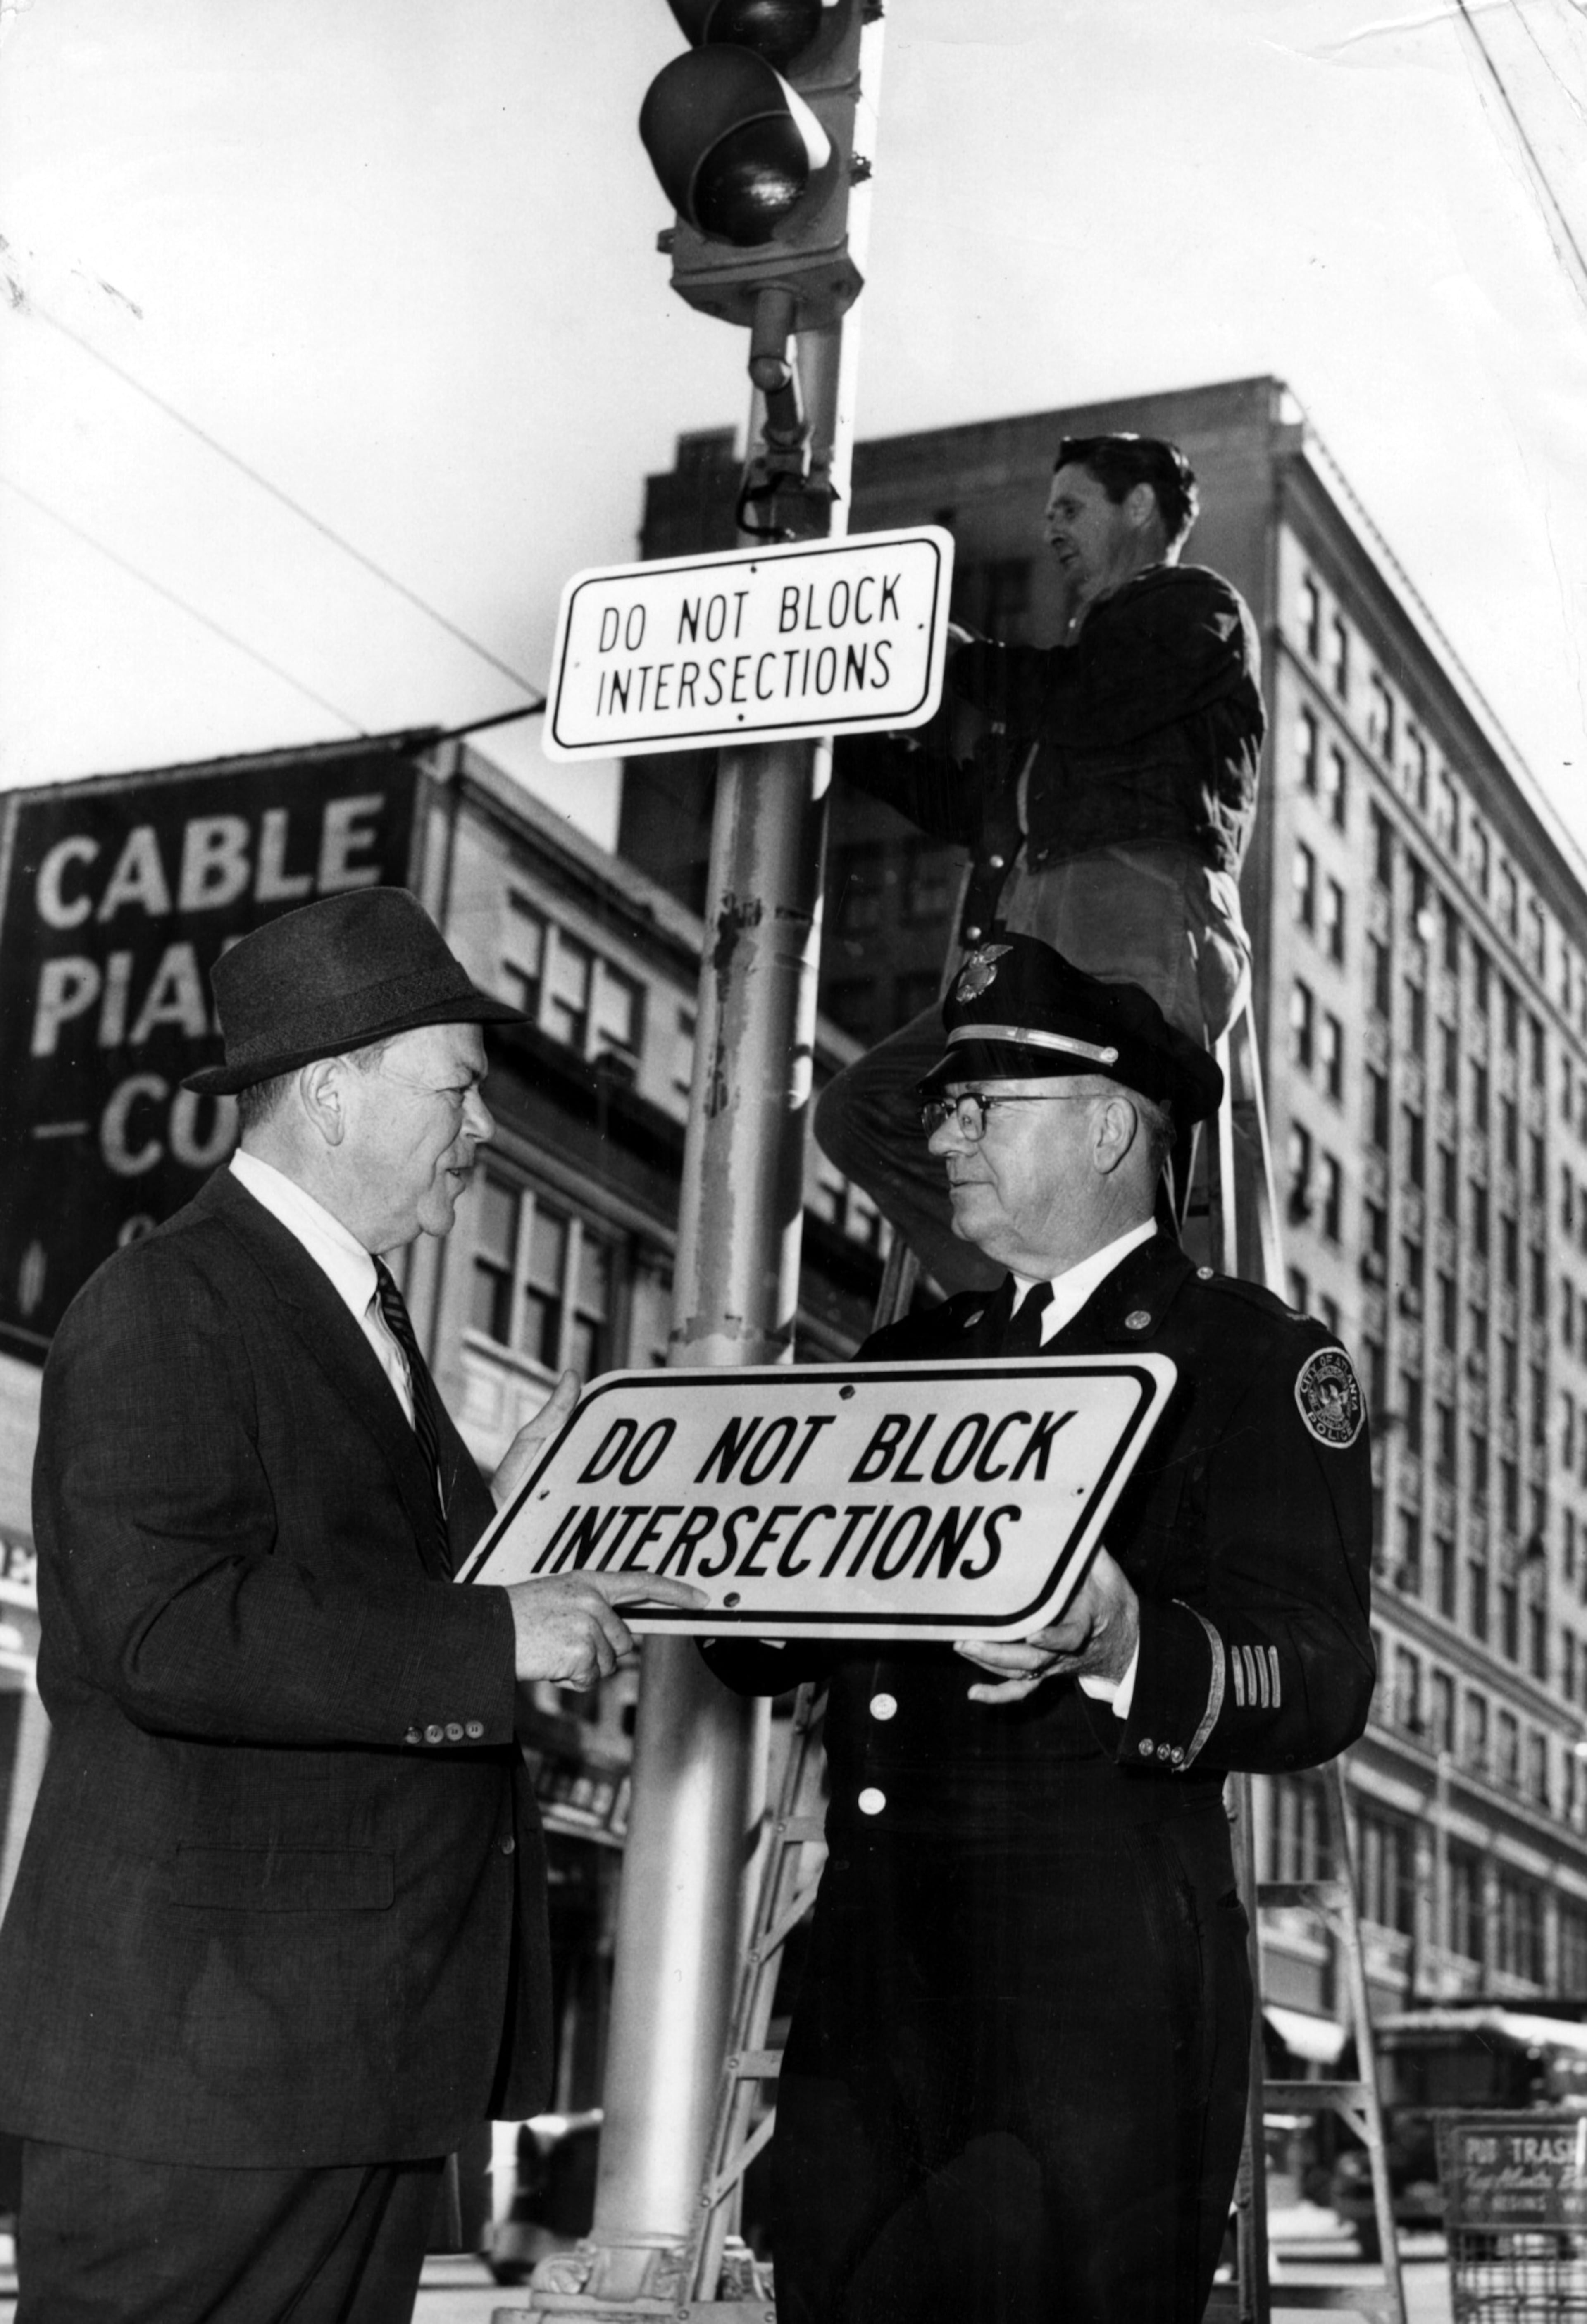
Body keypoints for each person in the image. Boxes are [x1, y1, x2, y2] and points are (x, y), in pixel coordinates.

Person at [0, 888, 699, 2324]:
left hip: (330, 2072)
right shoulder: (165, 1304)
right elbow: (169, 1628)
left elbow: (346, 1596)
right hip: (204, 2098)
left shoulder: (358, 1324)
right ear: (329, 1092)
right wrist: (499, 1632)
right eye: (458, 1087)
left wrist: (540, 1501)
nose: (485, 1129)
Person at [707, 934, 1375, 2324]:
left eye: (981, 1105)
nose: (944, 1135)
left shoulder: (1251, 1361)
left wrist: (1131, 1642)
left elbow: (1318, 1676)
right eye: (945, 1105)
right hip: (875, 1984)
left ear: (1113, 1124)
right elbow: (763, 1642)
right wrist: (661, 1529)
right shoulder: (907, 1364)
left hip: (1098, 1994)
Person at [815, 430, 1267, 1294]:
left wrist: (952, 655)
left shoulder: (1190, 607)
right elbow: (964, 804)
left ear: (1138, 508)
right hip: (1037, 935)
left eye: (1070, 507)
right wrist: (830, 715)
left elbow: (1090, 703)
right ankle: (1023, 1310)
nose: (1050, 528)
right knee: (866, 1110)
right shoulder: (1063, 692)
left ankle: (1116, 1319)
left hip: (1134, 912)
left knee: (1104, 1146)